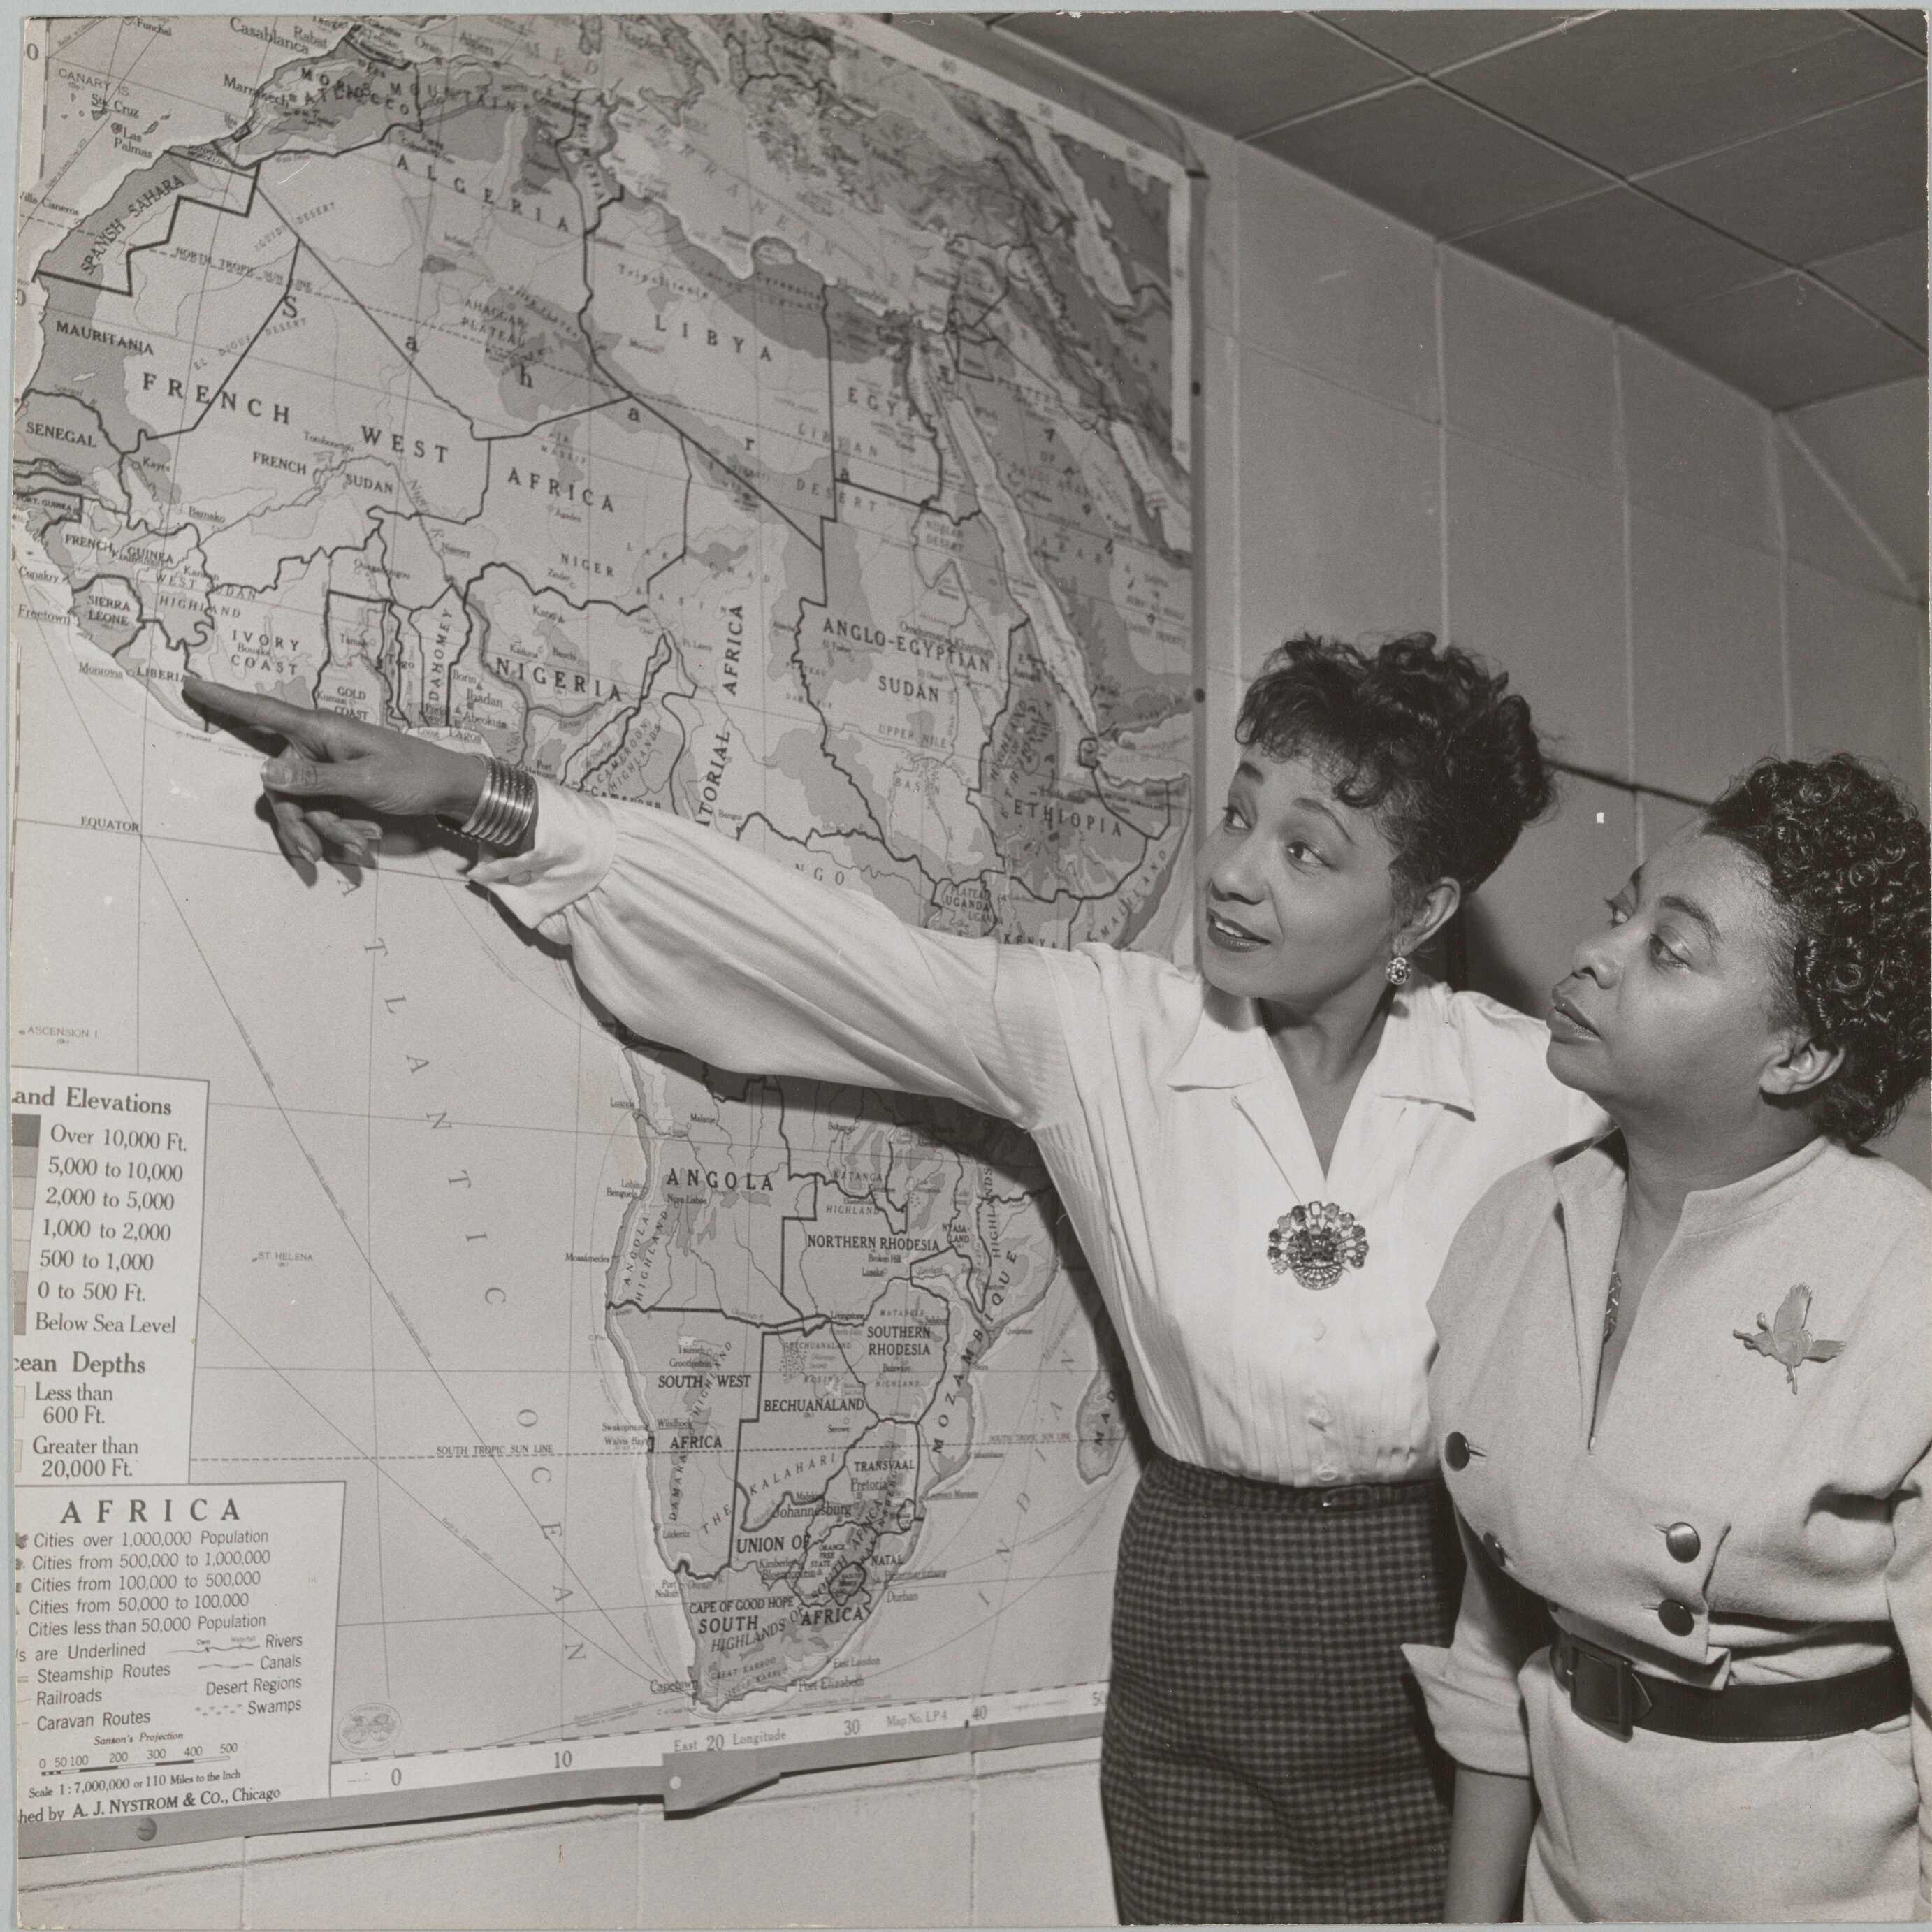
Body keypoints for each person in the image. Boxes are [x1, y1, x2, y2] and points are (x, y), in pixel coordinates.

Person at [186, 632, 1602, 1924]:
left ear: (1420, 910)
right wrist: (478, 798)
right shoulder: (1102, 1033)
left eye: (1311, 850)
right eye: (1241, 813)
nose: (1236, 869)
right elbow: (829, 958)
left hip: (1438, 1622)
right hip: (1201, 1611)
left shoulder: (1533, 1086)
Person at [1406, 753, 1932, 1922]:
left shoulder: (1906, 1281)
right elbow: (1497, 1645)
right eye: (1619, 912)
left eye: (1669, 947)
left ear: (1796, 1054)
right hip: (1565, 1881)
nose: (1597, 952)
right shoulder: (1508, 1231)